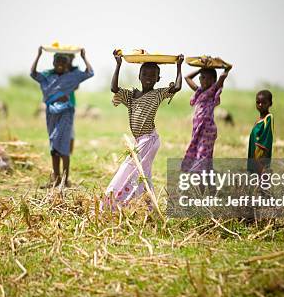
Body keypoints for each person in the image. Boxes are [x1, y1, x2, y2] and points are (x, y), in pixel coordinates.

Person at [102, 50, 183, 209]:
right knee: (142, 174)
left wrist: (179, 67)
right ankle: (145, 206)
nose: (148, 78)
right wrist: (118, 65)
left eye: (152, 76)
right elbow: (114, 88)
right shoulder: (131, 96)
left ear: (158, 79)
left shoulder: (157, 94)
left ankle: (113, 198)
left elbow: (177, 87)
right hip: (139, 140)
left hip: (149, 140)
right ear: (139, 76)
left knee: (128, 169)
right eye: (145, 74)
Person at [31, 46, 94, 187]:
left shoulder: (72, 77)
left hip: (66, 113)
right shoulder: (48, 77)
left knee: (64, 147)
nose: (60, 64)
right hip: (51, 114)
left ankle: (65, 180)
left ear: (68, 65)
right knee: (54, 146)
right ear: (53, 63)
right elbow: (33, 74)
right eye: (57, 61)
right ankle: (56, 179)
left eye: (63, 62)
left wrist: (84, 57)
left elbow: (90, 73)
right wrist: (39, 55)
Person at [181, 58, 232, 173]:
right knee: (202, 157)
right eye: (202, 77)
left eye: (209, 79)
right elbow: (187, 78)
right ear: (199, 79)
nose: (205, 81)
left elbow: (222, 78)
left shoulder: (213, 90)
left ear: (214, 80)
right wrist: (201, 69)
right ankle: (209, 184)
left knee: (203, 157)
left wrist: (227, 69)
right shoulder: (199, 91)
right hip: (197, 130)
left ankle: (202, 182)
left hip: (207, 131)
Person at [247, 90, 274, 174]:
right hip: (254, 154)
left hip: (261, 156)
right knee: (255, 178)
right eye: (258, 102)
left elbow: (266, 138)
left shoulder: (269, 118)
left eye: (264, 103)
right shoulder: (259, 119)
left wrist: (260, 158)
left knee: (262, 176)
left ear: (270, 103)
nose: (260, 105)